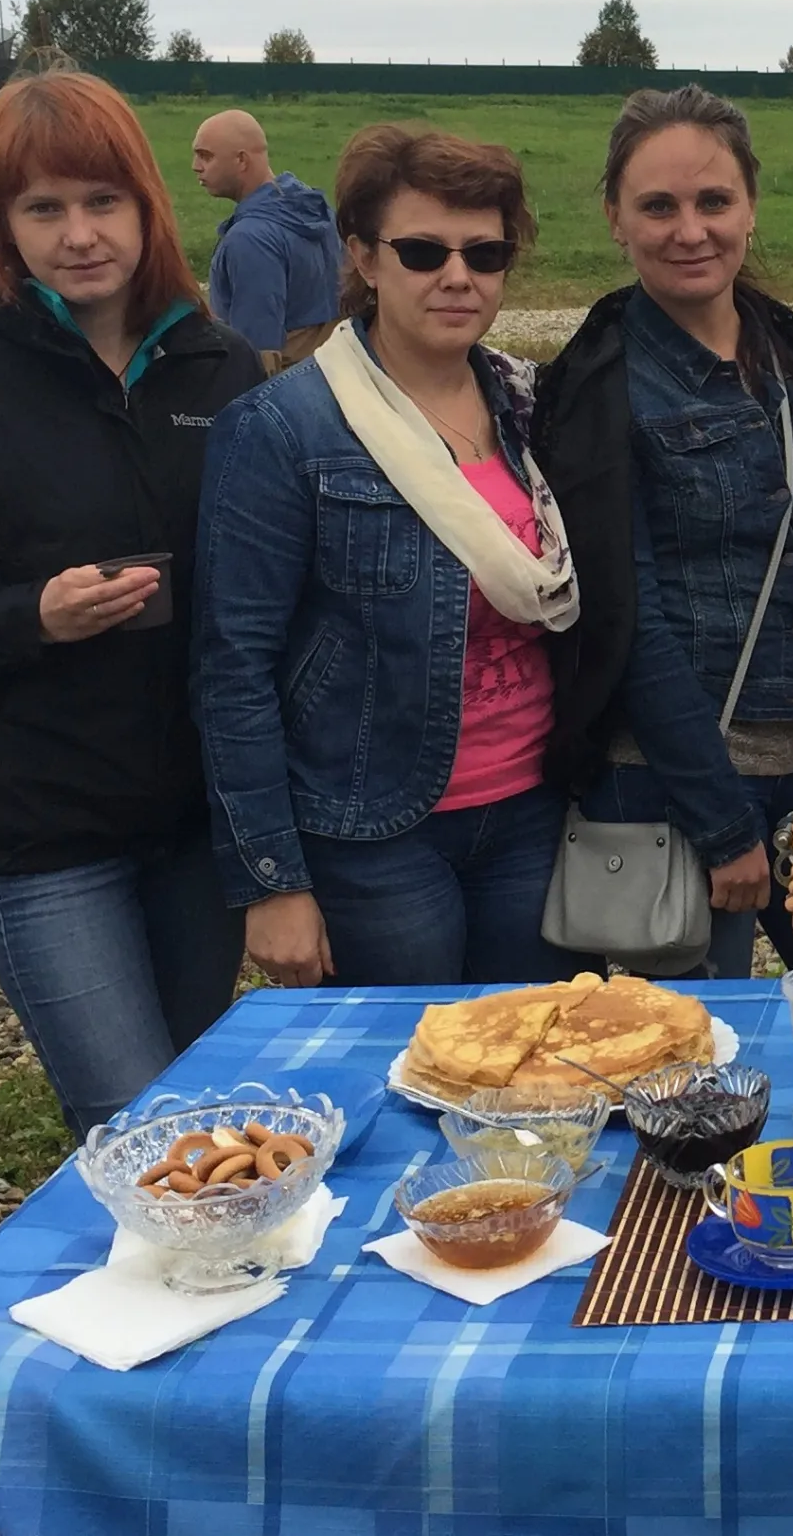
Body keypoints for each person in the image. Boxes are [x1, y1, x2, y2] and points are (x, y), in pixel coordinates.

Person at [0, 72, 262, 1139]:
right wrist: (28, 616)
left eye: (101, 202)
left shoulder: (221, 373)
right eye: (43, 209)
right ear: (1, 227)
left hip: (194, 825)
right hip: (41, 831)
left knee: (201, 1125)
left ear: (147, 207)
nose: (79, 236)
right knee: (139, 1131)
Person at [196, 125, 596, 992]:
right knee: (409, 1077)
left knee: (536, 1080)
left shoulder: (532, 405)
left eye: (484, 253)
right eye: (422, 250)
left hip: (532, 808)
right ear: (363, 259)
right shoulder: (282, 430)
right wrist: (274, 880)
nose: (457, 276)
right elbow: (234, 667)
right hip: (370, 829)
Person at [536, 87, 793, 979]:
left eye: (713, 202)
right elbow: (629, 620)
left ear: (750, 207)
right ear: (615, 220)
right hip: (667, 779)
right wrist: (721, 820)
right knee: (689, 1065)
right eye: (657, 206)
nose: (689, 229)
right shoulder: (597, 388)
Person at [192, 109, 343, 372]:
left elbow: (255, 354)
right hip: (330, 375)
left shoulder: (250, 240)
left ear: (241, 160)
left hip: (283, 393)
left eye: (206, 156)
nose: (196, 165)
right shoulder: (314, 209)